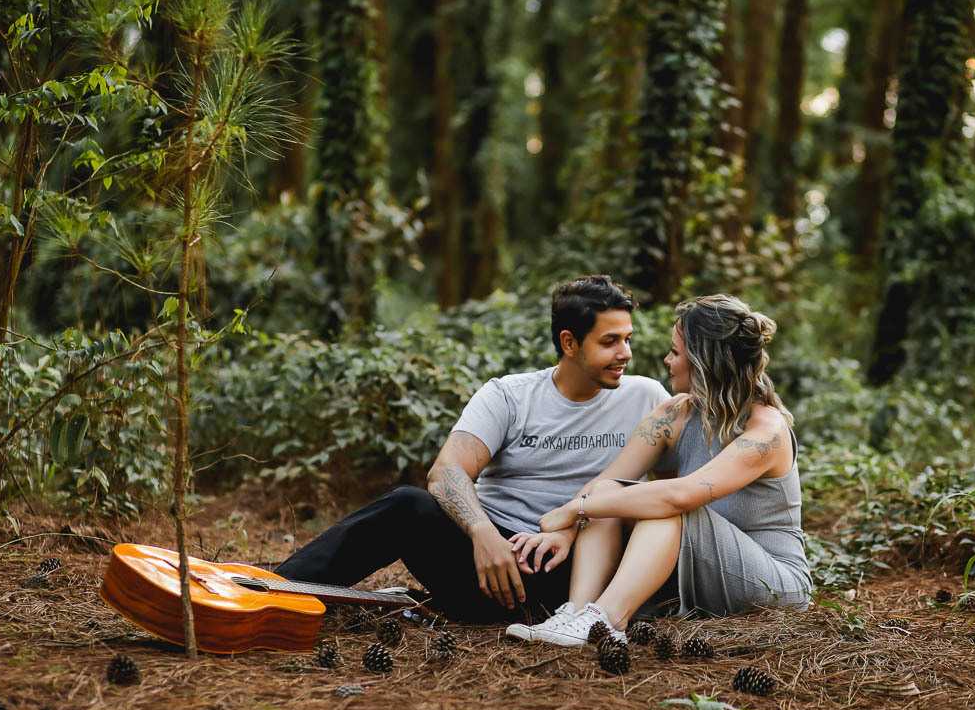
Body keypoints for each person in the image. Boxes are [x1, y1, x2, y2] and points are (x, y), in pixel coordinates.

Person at [274, 275, 671, 623]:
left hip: (581, 567)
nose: (626, 353)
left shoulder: (647, 397)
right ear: (569, 342)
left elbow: (670, 492)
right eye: (610, 341)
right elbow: (446, 472)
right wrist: (482, 534)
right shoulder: (510, 396)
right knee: (407, 505)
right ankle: (272, 590)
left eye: (627, 339)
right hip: (489, 563)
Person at [505, 294, 811, 645]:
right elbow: (606, 482)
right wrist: (567, 530)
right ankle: (575, 613)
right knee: (610, 492)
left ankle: (607, 621)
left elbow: (678, 496)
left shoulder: (766, 431)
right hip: (701, 570)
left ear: (704, 362)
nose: (668, 360)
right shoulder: (675, 414)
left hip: (772, 584)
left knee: (668, 507)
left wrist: (572, 509)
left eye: (676, 352)